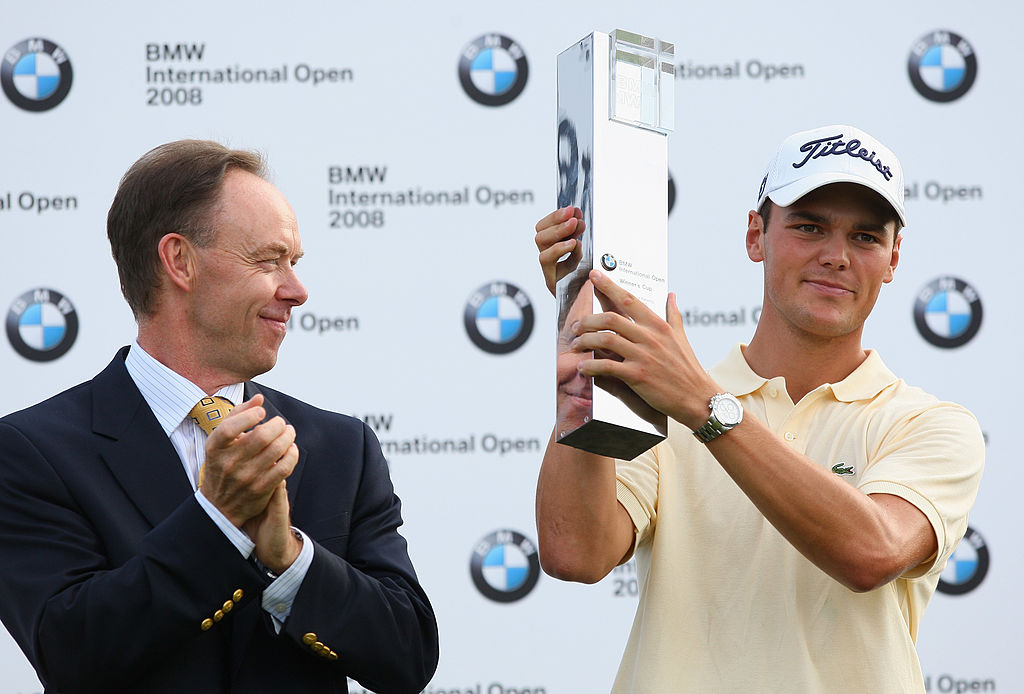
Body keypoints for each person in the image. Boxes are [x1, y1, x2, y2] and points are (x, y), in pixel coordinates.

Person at [533, 125, 984, 693]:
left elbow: (872, 552)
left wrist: (703, 407)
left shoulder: (930, 424)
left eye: (866, 237)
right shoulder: (664, 396)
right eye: (809, 226)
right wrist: (584, 338)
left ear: (893, 258)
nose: (836, 256)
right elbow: (576, 552)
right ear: (755, 236)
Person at [0, 140, 438, 694]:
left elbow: (408, 656)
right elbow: (70, 653)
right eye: (267, 260)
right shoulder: (31, 450)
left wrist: (290, 559)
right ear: (179, 261)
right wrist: (218, 521)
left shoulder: (340, 447)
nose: (297, 291)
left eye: (294, 263)